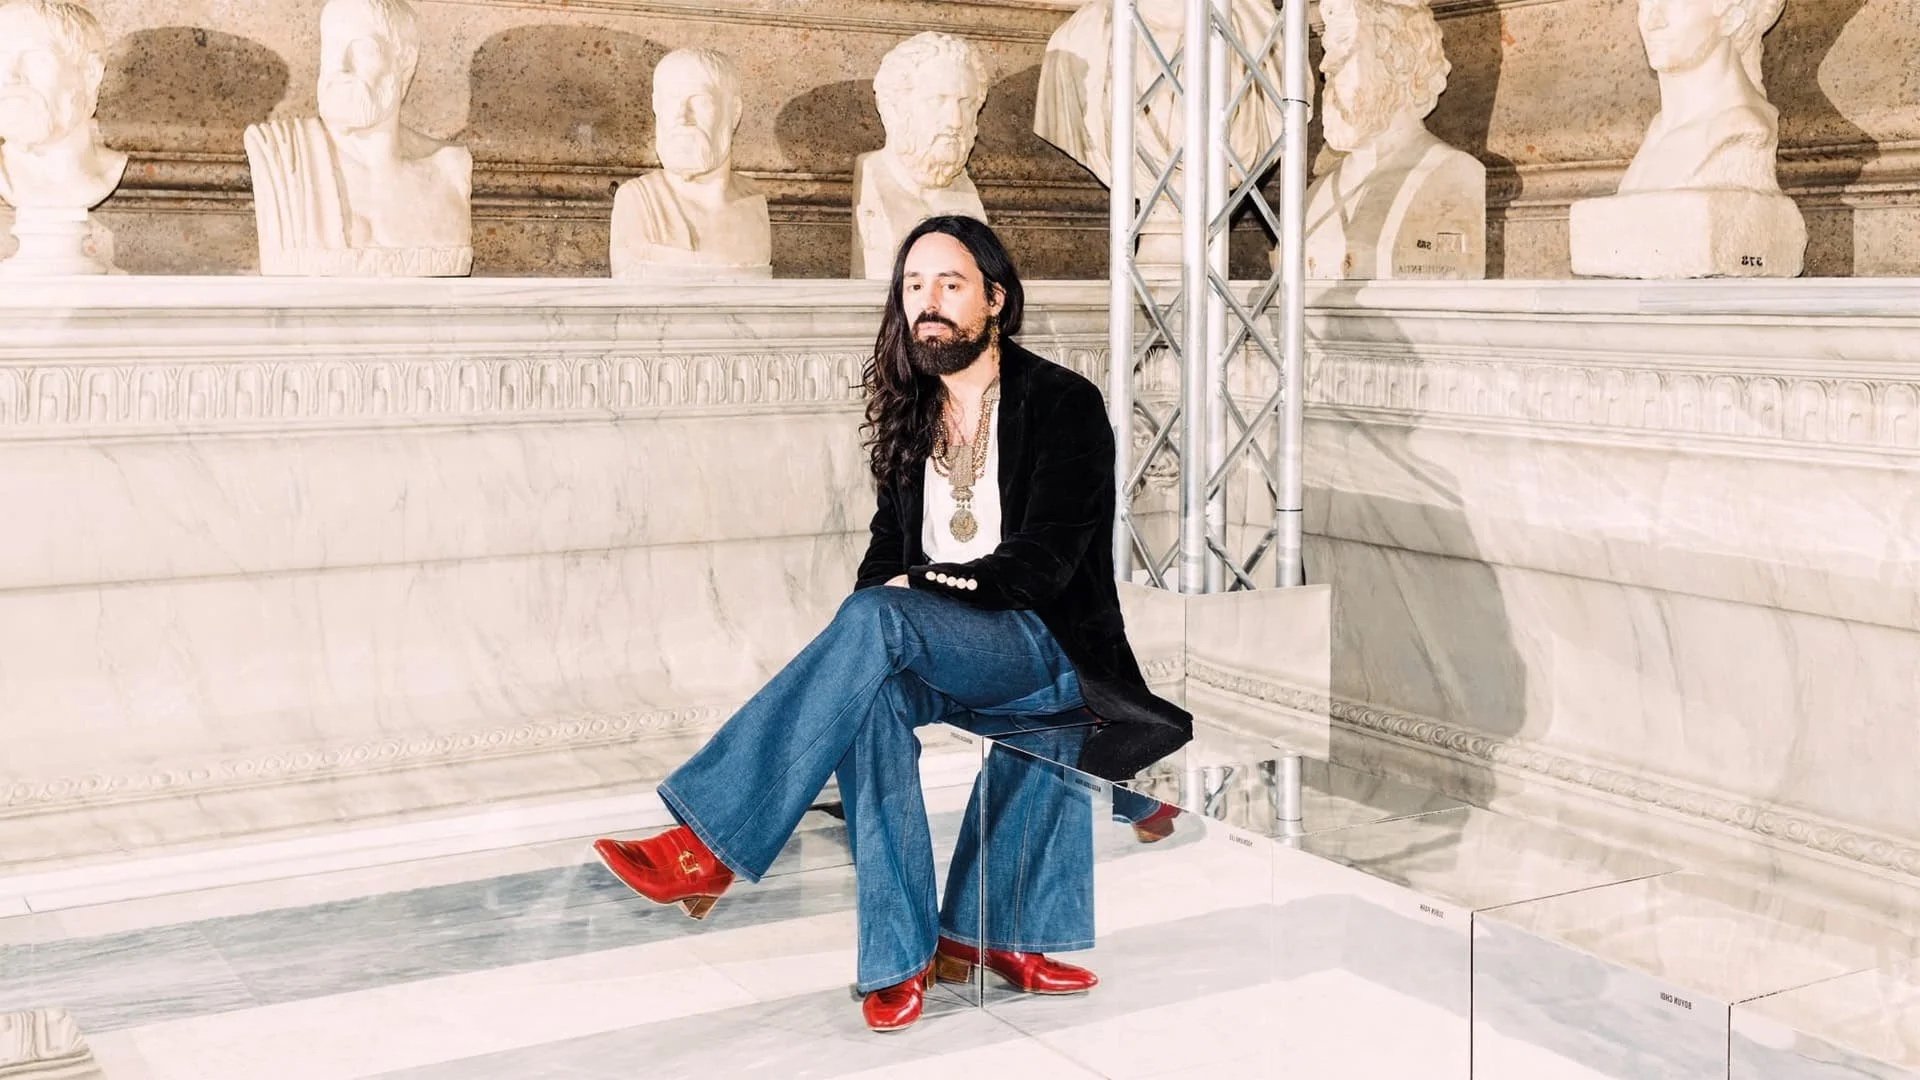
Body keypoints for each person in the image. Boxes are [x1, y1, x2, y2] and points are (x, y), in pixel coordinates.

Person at [593, 215, 1192, 1032]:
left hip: (1044, 645)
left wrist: (926, 584)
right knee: (868, 693)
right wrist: (895, 605)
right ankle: (925, 950)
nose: (929, 303)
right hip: (945, 648)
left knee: (881, 623)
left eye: (950, 284)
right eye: (914, 286)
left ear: (996, 299)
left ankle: (710, 846)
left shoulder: (1063, 404)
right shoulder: (909, 415)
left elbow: (1043, 566)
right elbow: (880, 571)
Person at [243, 0, 472, 276]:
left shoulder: (448, 171)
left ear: (405, 62)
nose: (340, 67)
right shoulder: (282, 158)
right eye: (332, 47)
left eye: (362, 48)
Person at [610, 47, 771, 281]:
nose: (682, 117)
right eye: (670, 102)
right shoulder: (636, 202)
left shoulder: (754, 204)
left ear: (734, 113)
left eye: (700, 101)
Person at [850, 33, 989, 280]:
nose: (955, 121)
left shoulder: (966, 192)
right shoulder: (875, 175)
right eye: (938, 101)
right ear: (894, 108)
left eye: (966, 104)